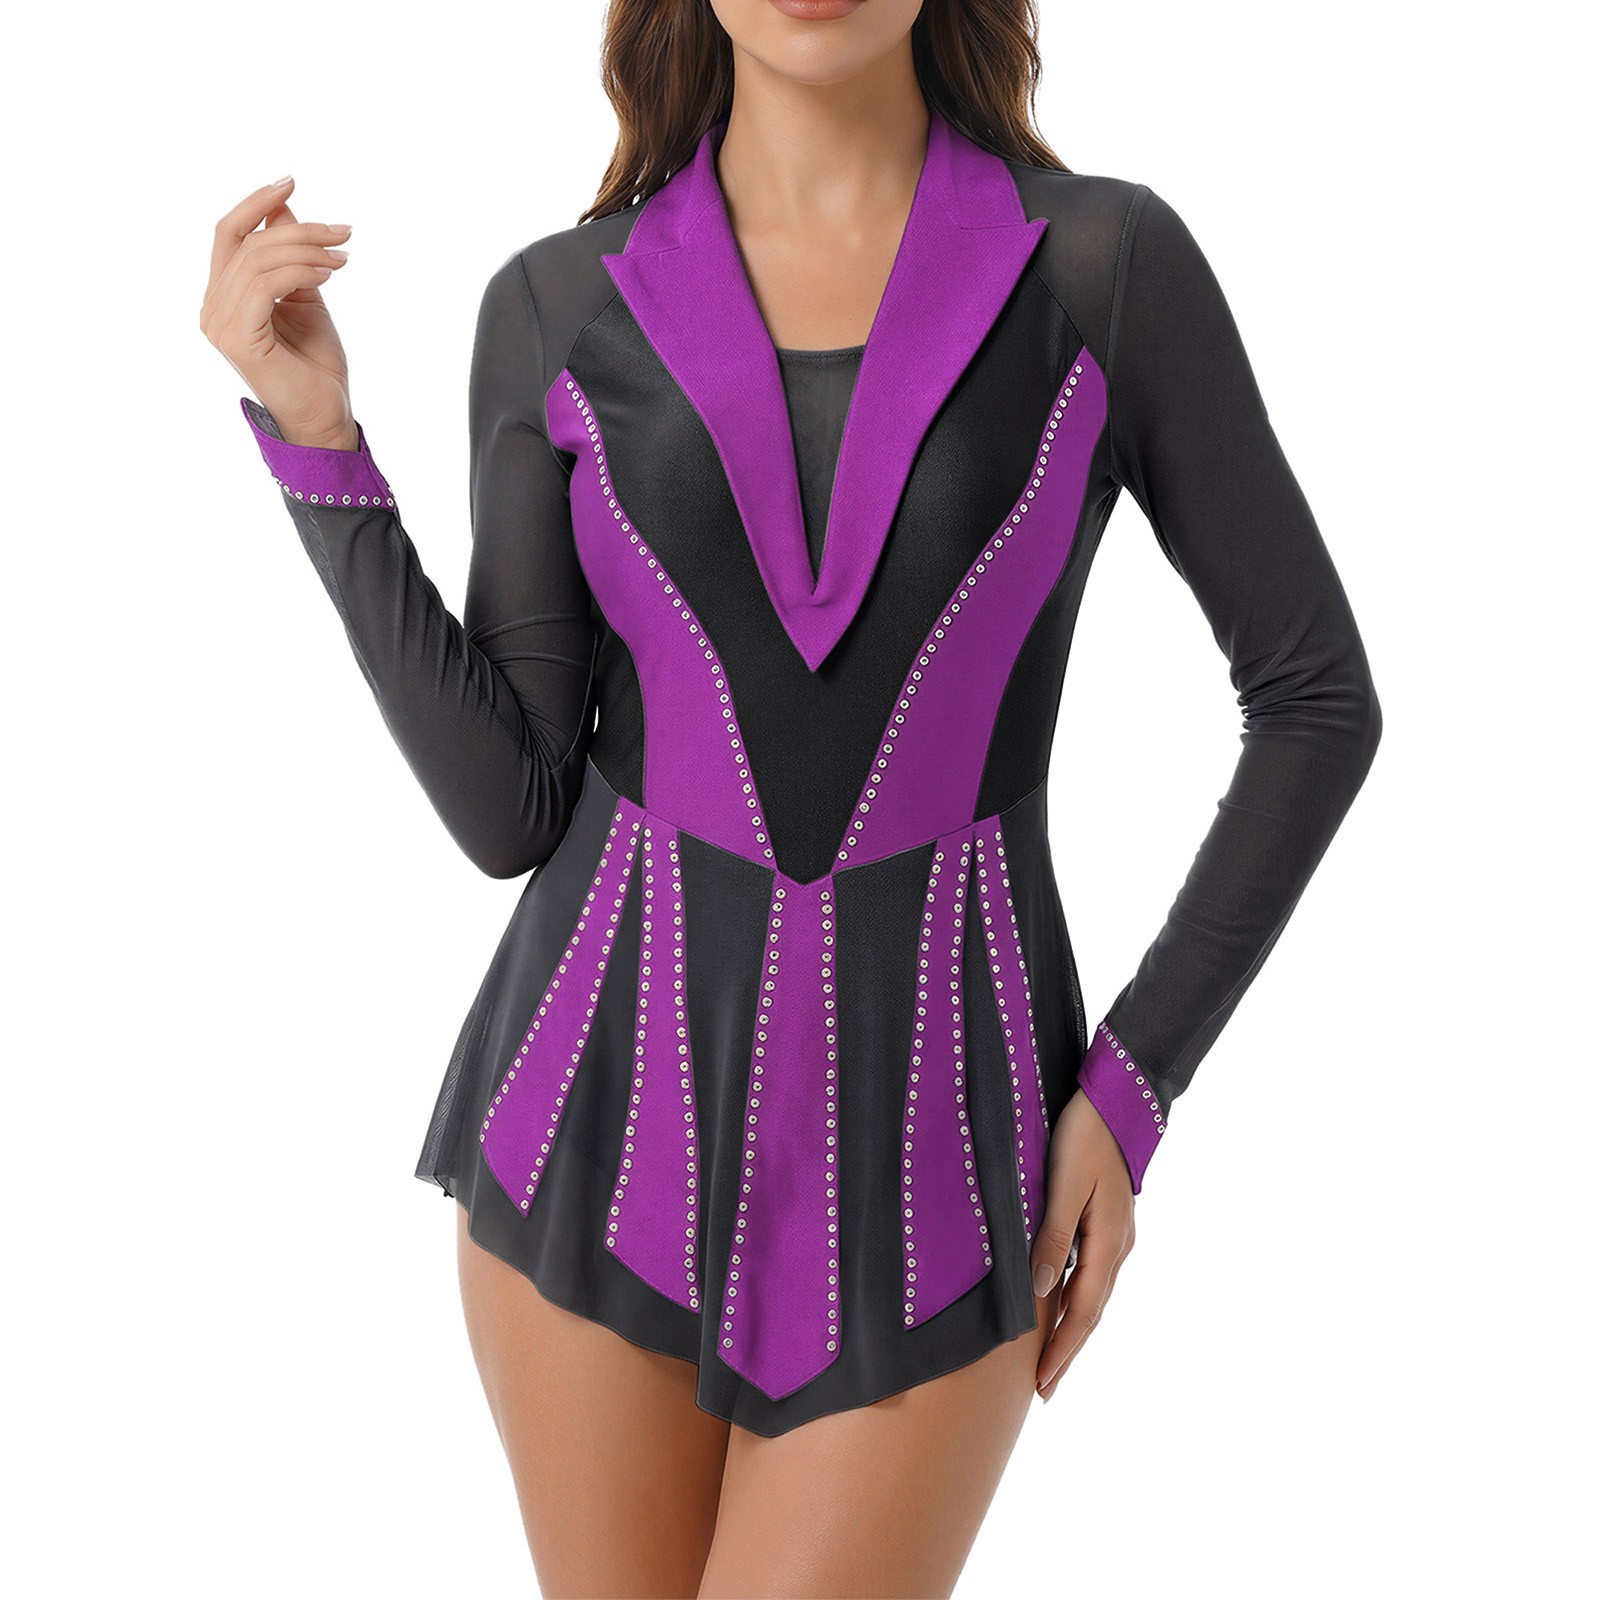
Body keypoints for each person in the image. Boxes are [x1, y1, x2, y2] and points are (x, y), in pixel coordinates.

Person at [199, 1, 1382, 1592]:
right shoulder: (558, 303)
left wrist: (1133, 1085)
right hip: (587, 1135)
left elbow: (1316, 702)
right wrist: (318, 444)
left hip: (944, 1171)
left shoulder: (1102, 268)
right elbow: (510, 808)